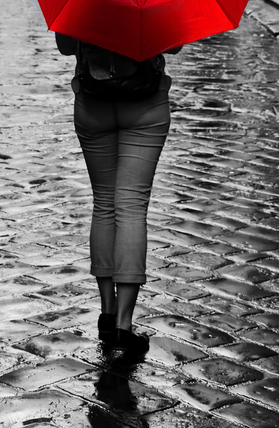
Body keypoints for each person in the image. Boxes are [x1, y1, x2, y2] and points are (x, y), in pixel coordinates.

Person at [56, 33, 181, 353]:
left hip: (93, 103)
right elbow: (174, 44)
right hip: (145, 105)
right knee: (131, 207)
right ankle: (124, 326)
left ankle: (107, 313)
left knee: (104, 204)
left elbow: (66, 46)